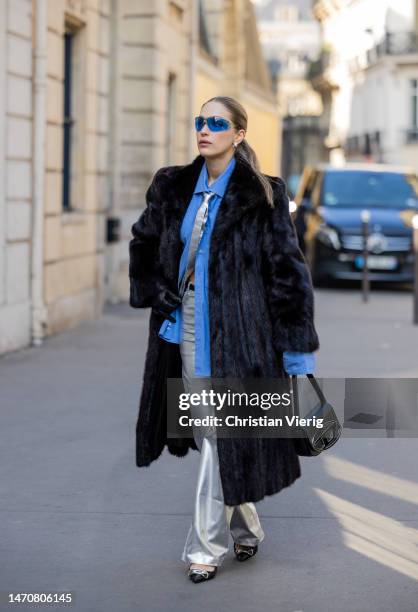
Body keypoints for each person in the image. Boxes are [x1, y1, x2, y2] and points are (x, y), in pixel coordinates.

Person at [129, 96, 320, 583]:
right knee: (208, 432)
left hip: (243, 334)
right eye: (200, 121)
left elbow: (288, 275)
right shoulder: (171, 185)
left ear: (238, 134)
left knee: (217, 435)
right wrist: (156, 291)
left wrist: (296, 353)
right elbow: (143, 240)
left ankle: (204, 548)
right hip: (185, 328)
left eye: (217, 122)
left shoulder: (264, 194)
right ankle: (247, 528)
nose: (204, 129)